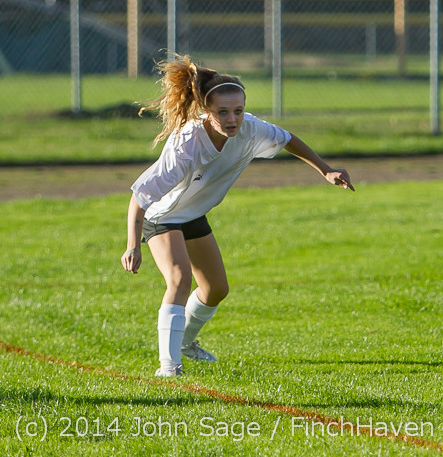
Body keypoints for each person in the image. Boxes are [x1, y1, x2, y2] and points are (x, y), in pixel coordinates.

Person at [120, 54, 354, 377]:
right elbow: (140, 197)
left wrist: (326, 170)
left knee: (216, 289)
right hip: (162, 215)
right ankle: (168, 368)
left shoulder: (250, 128)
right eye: (223, 112)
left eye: (238, 111)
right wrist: (133, 245)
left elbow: (288, 139)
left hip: (193, 215)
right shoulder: (187, 145)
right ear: (206, 111)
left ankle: (185, 342)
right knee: (179, 279)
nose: (232, 119)